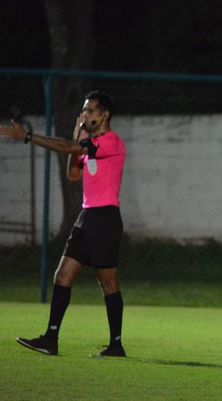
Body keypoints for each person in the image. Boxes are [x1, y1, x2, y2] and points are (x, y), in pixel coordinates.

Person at [0, 91, 128, 356]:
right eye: (84, 110)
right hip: (86, 217)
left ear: (105, 115)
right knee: (62, 276)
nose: (85, 115)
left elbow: (73, 150)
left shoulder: (112, 142)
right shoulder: (88, 144)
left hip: (104, 219)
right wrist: (77, 139)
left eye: (91, 111)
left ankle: (116, 344)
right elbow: (73, 173)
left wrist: (27, 137)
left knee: (108, 284)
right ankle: (51, 338)